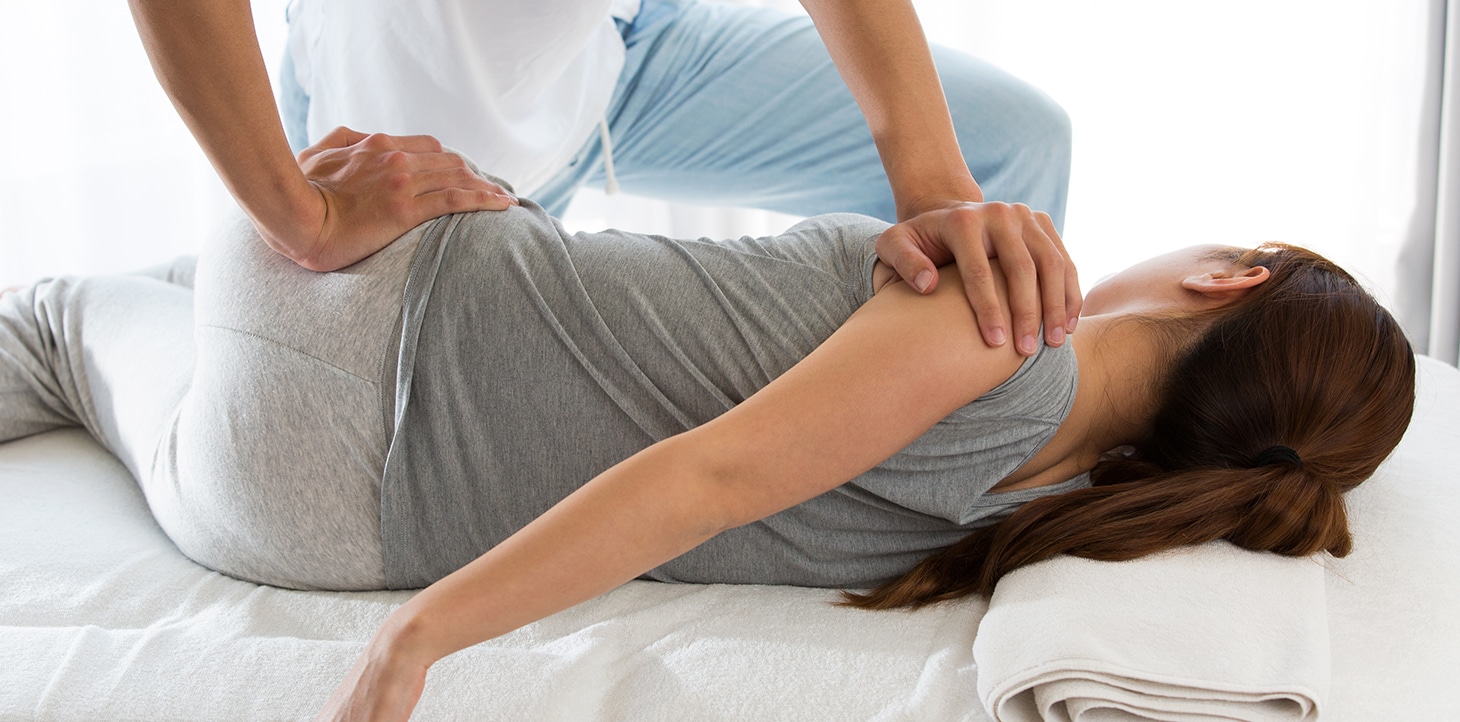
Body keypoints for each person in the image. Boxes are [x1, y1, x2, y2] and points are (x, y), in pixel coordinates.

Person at [0, 168, 1414, 721]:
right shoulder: (1047, 507)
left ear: (1231, 276)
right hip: (288, 511)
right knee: (116, 317)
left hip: (357, 332)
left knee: (63, 312)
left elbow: (711, 474)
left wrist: (413, 641)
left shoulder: (1007, 339)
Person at [126, 0, 1079, 359]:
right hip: (419, 99)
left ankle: (942, 421)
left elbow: (955, 182)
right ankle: (140, 306)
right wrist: (298, 215)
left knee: (1007, 152)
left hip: (616, 53)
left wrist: (935, 183)